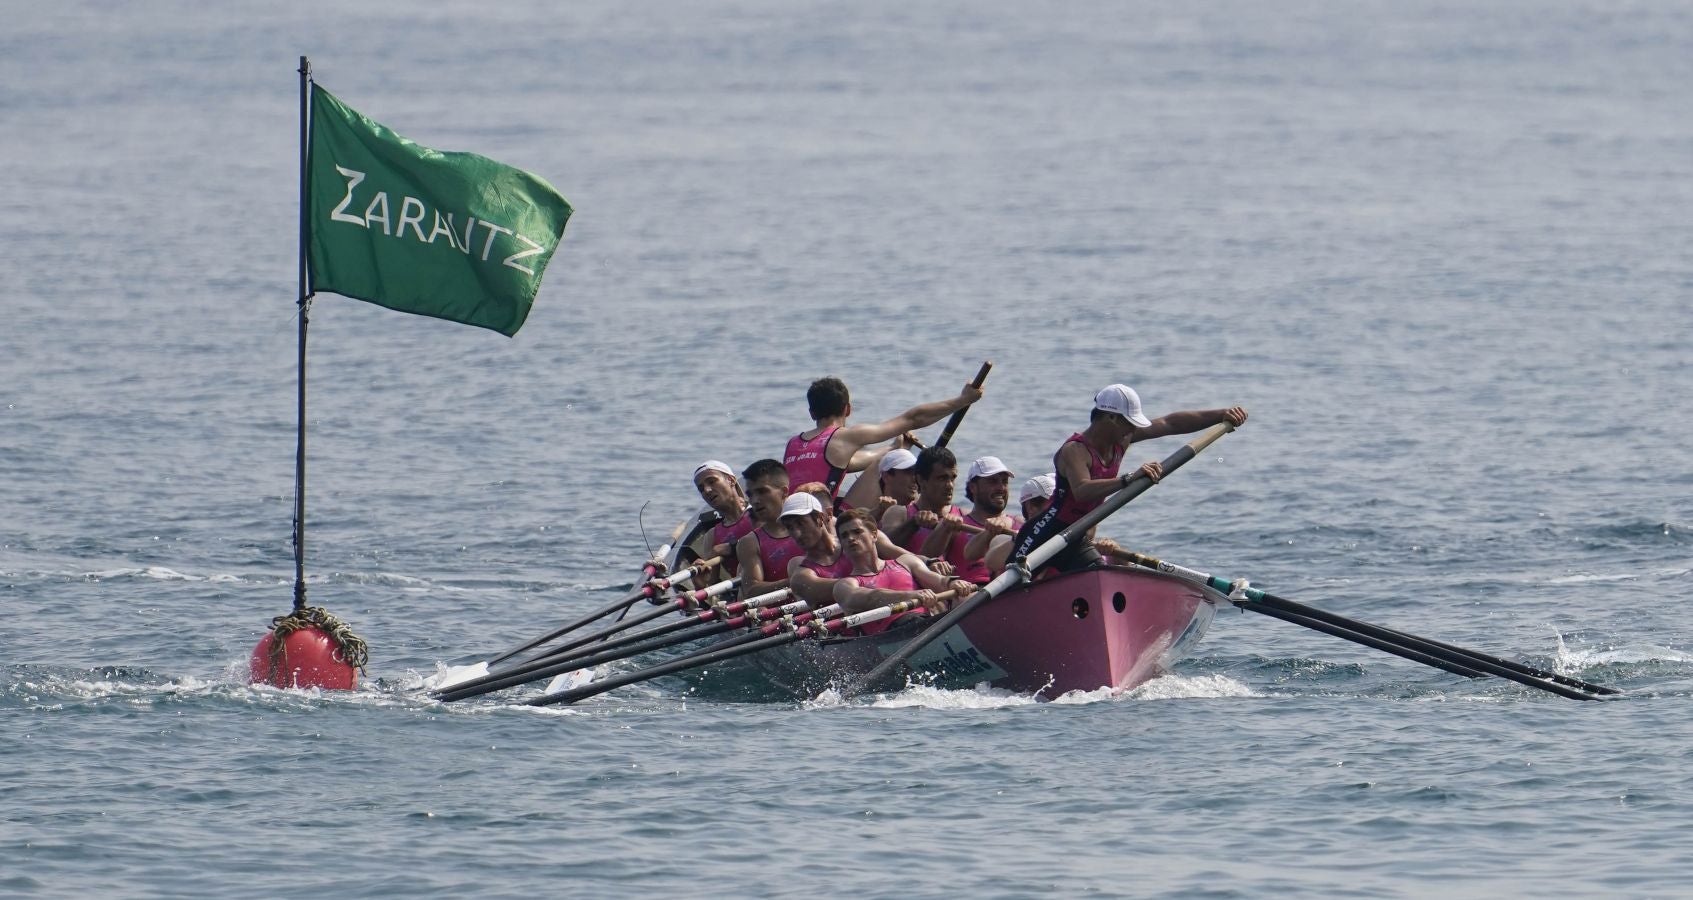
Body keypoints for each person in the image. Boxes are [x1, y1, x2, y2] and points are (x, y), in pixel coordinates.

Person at [1008, 384, 1247, 575]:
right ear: (1110, 418)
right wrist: (1129, 479)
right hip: (1045, 533)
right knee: (1008, 586)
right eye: (1128, 423)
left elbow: (1169, 423)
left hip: (1077, 535)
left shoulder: (1122, 438)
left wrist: (1220, 415)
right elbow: (1082, 490)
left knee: (1101, 578)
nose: (1132, 430)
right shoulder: (1075, 450)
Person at [784, 376, 983, 510]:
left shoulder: (793, 444)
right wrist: (963, 400)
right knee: (890, 461)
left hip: (791, 515)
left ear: (812, 413)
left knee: (889, 455)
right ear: (848, 409)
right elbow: (913, 418)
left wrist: (895, 447)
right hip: (822, 520)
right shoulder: (844, 436)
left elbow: (850, 463)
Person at [830, 509, 977, 635]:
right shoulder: (844, 585)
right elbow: (871, 598)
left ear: (874, 535)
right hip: (891, 635)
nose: (850, 538)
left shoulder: (906, 561)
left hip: (922, 625)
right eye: (844, 536)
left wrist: (953, 583)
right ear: (842, 544)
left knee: (969, 597)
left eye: (857, 532)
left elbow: (938, 581)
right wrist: (911, 595)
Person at [733, 459, 805, 599]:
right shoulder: (749, 542)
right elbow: (752, 590)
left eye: (762, 491)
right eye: (750, 494)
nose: (755, 500)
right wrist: (794, 583)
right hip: (779, 617)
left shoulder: (812, 526)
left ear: (784, 492)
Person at [947, 457, 1023, 584]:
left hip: (1012, 591)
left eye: (1005, 482)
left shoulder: (1020, 524)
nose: (1001, 487)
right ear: (973, 487)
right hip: (969, 594)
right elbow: (927, 555)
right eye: (993, 481)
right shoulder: (956, 526)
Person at [779, 492, 853, 608]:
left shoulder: (855, 541)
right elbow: (851, 589)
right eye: (790, 527)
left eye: (801, 523)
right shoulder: (800, 577)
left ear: (820, 518)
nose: (796, 533)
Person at [692, 460, 754, 576]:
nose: (707, 490)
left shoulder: (759, 514)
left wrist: (730, 548)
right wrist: (700, 585)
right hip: (742, 592)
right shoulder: (711, 537)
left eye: (712, 481)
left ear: (731, 480)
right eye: (701, 489)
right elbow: (710, 588)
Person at [871, 447, 921, 522]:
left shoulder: (927, 510)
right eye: (908, 472)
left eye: (916, 473)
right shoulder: (867, 515)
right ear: (886, 476)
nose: (915, 479)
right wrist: (879, 512)